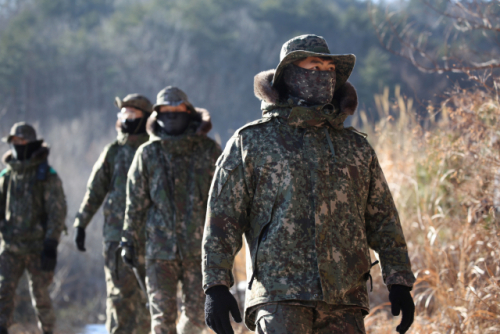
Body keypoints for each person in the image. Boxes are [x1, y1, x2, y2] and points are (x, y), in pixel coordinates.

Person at [202, 34, 416, 334]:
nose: (324, 76)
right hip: (279, 296)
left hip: (345, 299)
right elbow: (222, 220)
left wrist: (399, 281)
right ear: (290, 75)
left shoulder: (355, 147)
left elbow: (383, 221)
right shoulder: (251, 142)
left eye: (329, 70)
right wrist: (216, 287)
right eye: (314, 67)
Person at [121, 86, 221, 334]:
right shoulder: (148, 153)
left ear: (188, 112)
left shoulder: (208, 151)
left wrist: (225, 244)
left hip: (199, 252)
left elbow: (223, 201)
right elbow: (135, 203)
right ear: (157, 114)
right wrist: (129, 239)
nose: (172, 115)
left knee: (198, 317)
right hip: (158, 252)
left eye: (178, 109)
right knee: (162, 320)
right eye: (166, 110)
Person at [73, 94, 153, 334]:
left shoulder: (155, 150)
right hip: (115, 238)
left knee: (148, 299)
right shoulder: (113, 152)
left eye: (132, 115)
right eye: (123, 115)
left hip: (152, 238)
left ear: (146, 117)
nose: (126, 119)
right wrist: (81, 223)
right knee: (119, 297)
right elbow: (94, 190)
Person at [0, 122, 67, 334]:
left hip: (39, 249)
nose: (17, 146)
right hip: (11, 248)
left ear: (31, 144)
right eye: (14, 142)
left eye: (21, 142)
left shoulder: (46, 175)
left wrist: (51, 244)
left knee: (42, 298)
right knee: (3, 293)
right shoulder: (7, 176)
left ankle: (47, 331)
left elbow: (57, 212)